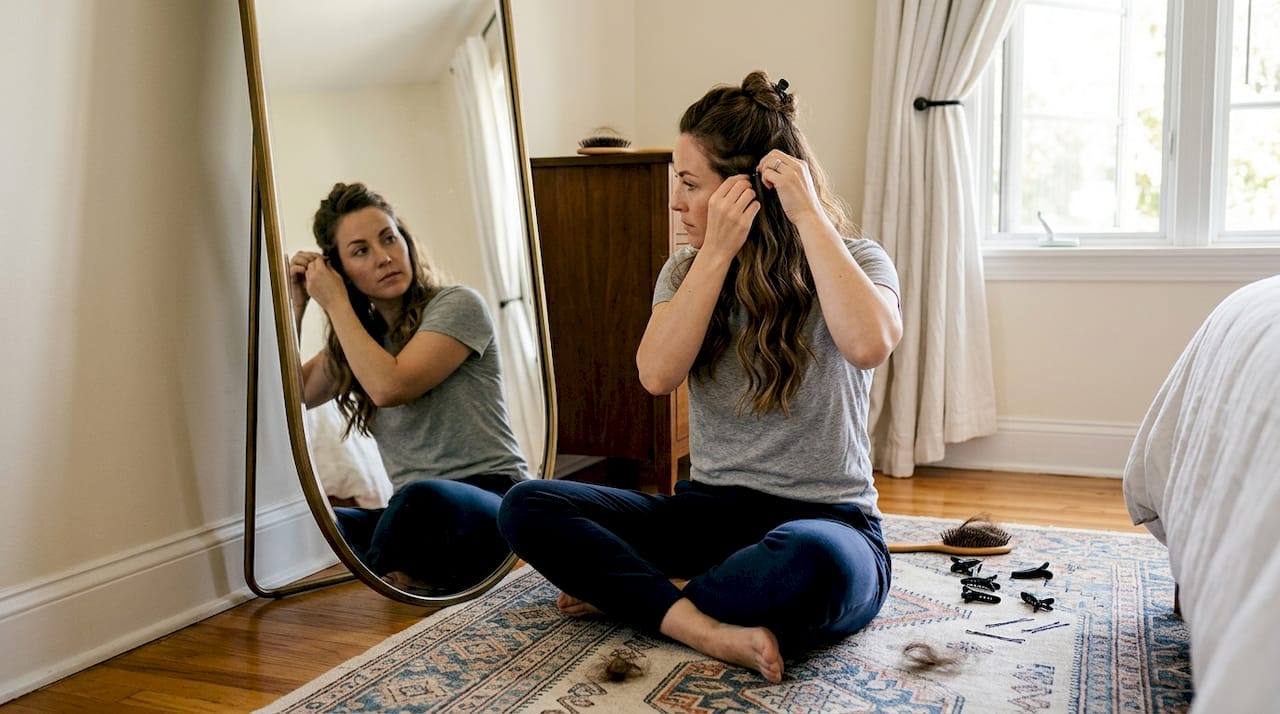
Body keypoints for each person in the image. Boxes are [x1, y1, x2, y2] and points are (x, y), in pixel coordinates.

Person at [498, 71, 903, 682]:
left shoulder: (859, 258)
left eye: (689, 183)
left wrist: (808, 215)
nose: (675, 201)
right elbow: (656, 375)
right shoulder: (686, 271)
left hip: (827, 521)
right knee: (527, 505)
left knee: (813, 564)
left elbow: (869, 343)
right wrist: (715, 254)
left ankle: (645, 596)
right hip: (707, 518)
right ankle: (701, 623)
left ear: (748, 191)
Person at [291, 182, 528, 594]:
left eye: (389, 238)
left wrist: (336, 303)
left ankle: (392, 574)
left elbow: (389, 387)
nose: (384, 257)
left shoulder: (458, 305)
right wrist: (296, 303)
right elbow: (289, 400)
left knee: (424, 499)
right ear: (341, 270)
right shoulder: (358, 340)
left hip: (493, 499)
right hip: (412, 512)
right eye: (361, 251)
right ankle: (405, 572)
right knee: (325, 522)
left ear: (406, 241)